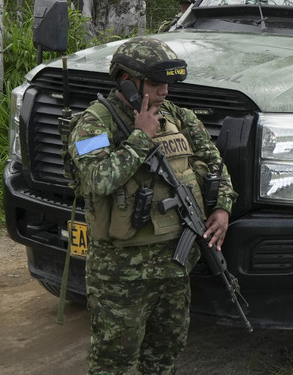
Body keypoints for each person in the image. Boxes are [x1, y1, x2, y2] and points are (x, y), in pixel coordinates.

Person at [67, 36, 236, 374]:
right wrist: (140, 137)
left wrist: (221, 207)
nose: (165, 92)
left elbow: (214, 161)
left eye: (167, 84)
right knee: (113, 360)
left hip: (173, 265)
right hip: (120, 272)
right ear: (129, 83)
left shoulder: (177, 116)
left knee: (165, 354)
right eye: (157, 84)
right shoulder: (93, 124)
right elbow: (98, 178)